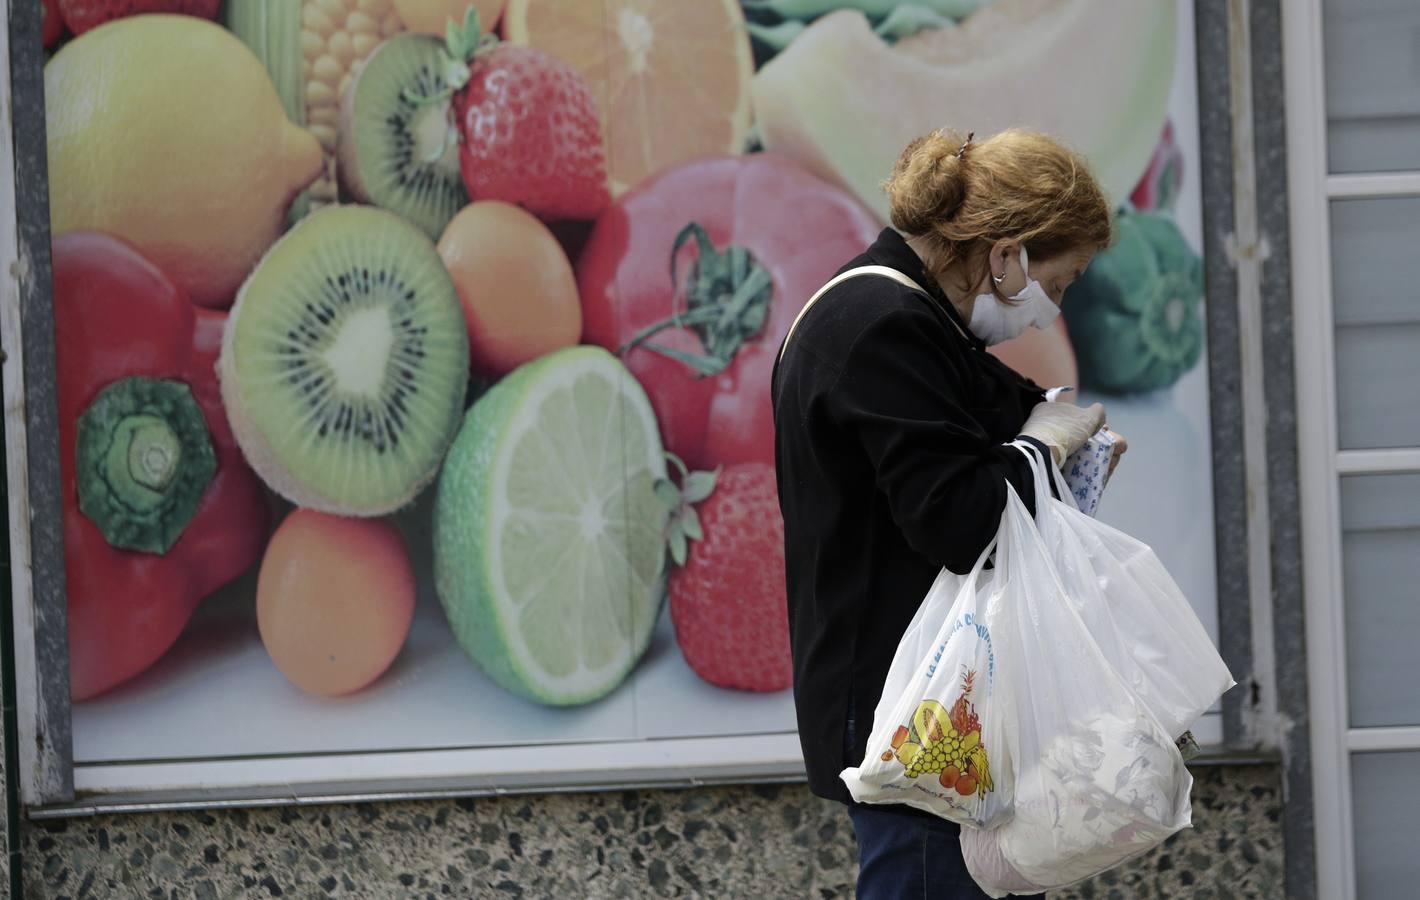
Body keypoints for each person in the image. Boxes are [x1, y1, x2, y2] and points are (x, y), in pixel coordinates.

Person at [770, 128, 1127, 899]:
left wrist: (1059, 436)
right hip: (916, 722)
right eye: (1056, 286)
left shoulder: (900, 314)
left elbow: (1002, 415)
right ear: (1006, 256)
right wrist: (1042, 449)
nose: (1045, 316)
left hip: (930, 711)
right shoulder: (883, 327)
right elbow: (960, 520)